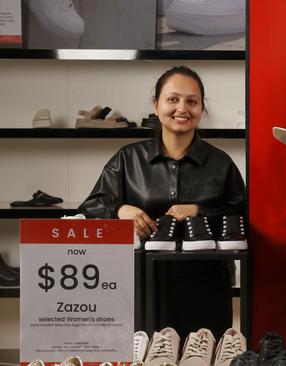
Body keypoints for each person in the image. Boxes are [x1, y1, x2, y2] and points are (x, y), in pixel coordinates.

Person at [78, 66, 245, 338]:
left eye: (192, 101)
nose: (182, 108)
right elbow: (88, 208)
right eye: (172, 99)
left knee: (202, 356)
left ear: (202, 109)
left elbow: (242, 215)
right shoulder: (127, 159)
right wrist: (120, 209)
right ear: (156, 105)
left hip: (206, 286)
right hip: (139, 284)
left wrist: (200, 211)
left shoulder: (221, 163)